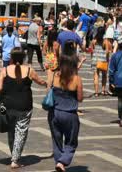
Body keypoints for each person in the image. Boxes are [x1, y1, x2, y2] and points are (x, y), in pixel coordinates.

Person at [0, 47, 47, 169]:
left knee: (11, 132)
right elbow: (40, 81)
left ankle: (14, 155)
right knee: (21, 132)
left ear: (11, 58)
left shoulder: (5, 70)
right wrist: (46, 84)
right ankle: (15, 158)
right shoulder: (29, 70)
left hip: (8, 106)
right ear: (23, 58)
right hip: (25, 106)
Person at [48, 41, 84, 172]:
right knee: (71, 141)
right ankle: (62, 162)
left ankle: (59, 161)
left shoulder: (55, 76)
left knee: (56, 140)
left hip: (54, 113)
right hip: (69, 114)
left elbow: (50, 91)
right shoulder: (76, 79)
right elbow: (80, 98)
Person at [91, 27, 110, 96]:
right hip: (103, 60)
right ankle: (103, 90)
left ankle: (96, 92)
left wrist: (92, 57)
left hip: (95, 60)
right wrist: (107, 59)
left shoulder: (94, 41)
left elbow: (92, 51)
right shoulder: (105, 41)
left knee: (96, 76)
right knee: (104, 75)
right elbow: (107, 52)